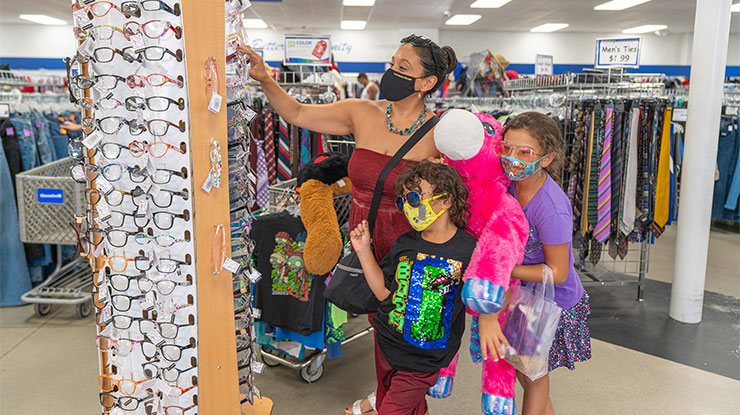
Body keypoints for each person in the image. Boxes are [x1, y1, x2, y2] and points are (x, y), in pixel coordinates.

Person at [238, 35, 457, 415]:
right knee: (383, 347)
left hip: (409, 255)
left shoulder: (443, 135)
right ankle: (390, 403)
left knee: (405, 355)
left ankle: (393, 406)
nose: (391, 73)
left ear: (426, 83)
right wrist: (265, 80)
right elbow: (299, 114)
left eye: (403, 69)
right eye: (392, 63)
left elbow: (460, 199)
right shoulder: (363, 112)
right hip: (363, 247)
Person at [477, 112, 591, 415]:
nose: (512, 158)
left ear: (546, 158)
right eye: (507, 148)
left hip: (554, 303)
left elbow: (558, 271)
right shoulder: (507, 186)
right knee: (525, 372)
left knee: (533, 376)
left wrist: (501, 268)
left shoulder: (551, 208)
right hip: (523, 297)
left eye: (524, 152)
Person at [350, 161, 477, 415]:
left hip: (423, 360)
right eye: (404, 201)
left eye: (416, 197)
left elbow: (487, 296)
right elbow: (385, 293)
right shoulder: (405, 244)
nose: (409, 207)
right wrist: (364, 251)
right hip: (387, 344)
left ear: (446, 200)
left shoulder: (470, 250)